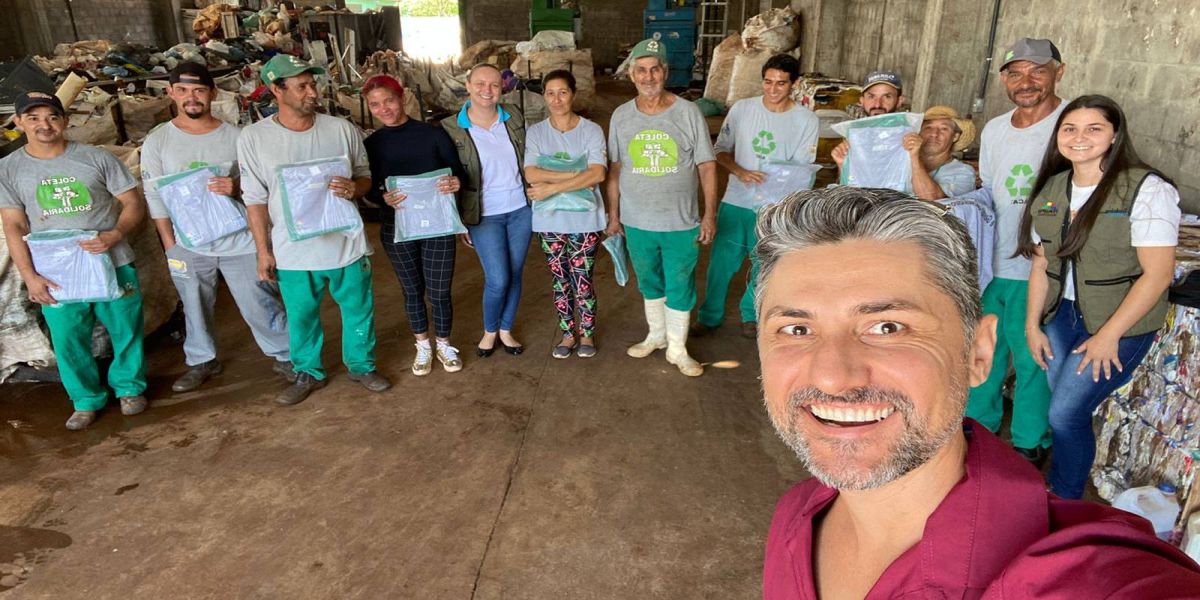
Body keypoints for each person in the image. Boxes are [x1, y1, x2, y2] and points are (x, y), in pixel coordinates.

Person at [755, 186, 1200, 598]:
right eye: (796, 329)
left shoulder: (1095, 579)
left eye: (887, 327)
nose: (833, 377)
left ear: (978, 353)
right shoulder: (797, 515)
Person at [1018, 95, 1180, 500]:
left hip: (1119, 324)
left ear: (1113, 136)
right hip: (1061, 317)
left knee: (1064, 413)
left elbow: (1158, 275)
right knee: (1067, 411)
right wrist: (1031, 324)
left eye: (1094, 129)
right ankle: (1064, 487)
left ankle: (1064, 496)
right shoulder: (1053, 188)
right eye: (1069, 128)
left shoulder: (1144, 189)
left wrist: (1110, 336)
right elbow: (1041, 264)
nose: (1079, 138)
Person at [238, 54, 391, 406]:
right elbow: (255, 199)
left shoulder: (340, 129)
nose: (312, 92)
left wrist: (357, 189)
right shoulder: (254, 138)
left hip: (345, 244)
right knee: (302, 315)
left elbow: (364, 175)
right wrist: (263, 251)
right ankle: (308, 371)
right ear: (276, 90)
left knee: (357, 308)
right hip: (293, 250)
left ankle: (362, 365)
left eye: (313, 84)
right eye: (302, 86)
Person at [141, 63, 293, 393]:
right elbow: (155, 195)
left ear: (212, 93)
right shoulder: (158, 142)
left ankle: (286, 355)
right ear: (170, 93)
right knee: (193, 304)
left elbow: (261, 187)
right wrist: (171, 245)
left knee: (261, 300)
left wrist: (235, 187)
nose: (191, 97)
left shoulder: (237, 138)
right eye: (182, 90)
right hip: (189, 245)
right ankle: (202, 361)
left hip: (240, 241)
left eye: (198, 90)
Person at [0, 91, 148, 429]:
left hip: (112, 259)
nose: (44, 125)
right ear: (19, 122)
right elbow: (15, 224)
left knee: (126, 328)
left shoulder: (96, 158)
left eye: (52, 116)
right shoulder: (8, 169)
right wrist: (30, 277)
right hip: (56, 270)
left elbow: (132, 203)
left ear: (64, 121)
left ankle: (129, 388)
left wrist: (115, 234)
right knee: (68, 338)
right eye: (33, 118)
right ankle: (85, 400)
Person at [964, 37, 1068, 465]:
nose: (1026, 82)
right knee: (984, 349)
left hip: (1042, 266)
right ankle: (976, 427)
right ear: (1004, 78)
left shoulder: (1072, 123)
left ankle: (1028, 441)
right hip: (993, 262)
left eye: (1037, 71)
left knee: (1032, 356)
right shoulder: (995, 129)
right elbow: (988, 191)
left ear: (1058, 72)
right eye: (1015, 73)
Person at [607, 38, 718, 377]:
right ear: (632, 75)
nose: (648, 76)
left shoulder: (688, 112)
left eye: (655, 69)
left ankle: (678, 348)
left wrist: (709, 214)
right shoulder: (621, 116)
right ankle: (656, 336)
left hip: (680, 220)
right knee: (649, 280)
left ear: (665, 72)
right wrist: (614, 215)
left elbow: (707, 166)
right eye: (641, 70)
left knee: (680, 282)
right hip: (637, 219)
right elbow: (614, 170)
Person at [692, 53, 818, 340]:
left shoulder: (805, 120)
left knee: (763, 264)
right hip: (737, 200)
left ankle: (750, 315)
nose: (773, 90)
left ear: (794, 84)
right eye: (768, 82)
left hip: (775, 206)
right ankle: (709, 316)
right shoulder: (742, 109)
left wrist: (791, 206)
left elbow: (802, 170)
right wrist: (739, 170)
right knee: (722, 263)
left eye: (781, 84)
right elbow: (720, 150)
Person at [362, 74, 467, 376]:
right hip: (397, 227)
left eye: (389, 100)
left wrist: (455, 183)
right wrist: (383, 198)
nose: (385, 109)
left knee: (439, 290)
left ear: (403, 97)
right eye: (375, 105)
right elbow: (368, 187)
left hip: (437, 225)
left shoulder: (432, 134)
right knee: (412, 290)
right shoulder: (372, 144)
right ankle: (422, 345)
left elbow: (457, 172)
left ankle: (444, 344)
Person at [441, 63, 532, 358]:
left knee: (516, 273)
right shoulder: (451, 128)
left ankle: (506, 330)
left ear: (502, 88)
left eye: (493, 85)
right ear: (467, 85)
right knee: (498, 278)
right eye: (480, 84)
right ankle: (490, 330)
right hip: (484, 214)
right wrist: (459, 222)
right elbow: (446, 177)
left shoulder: (514, 118)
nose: (487, 90)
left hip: (520, 209)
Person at [523, 69, 608, 358]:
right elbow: (532, 173)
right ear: (544, 97)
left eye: (562, 92)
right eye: (550, 93)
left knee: (582, 279)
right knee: (560, 280)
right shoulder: (536, 133)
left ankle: (586, 335)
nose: (556, 99)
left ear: (572, 94)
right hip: (549, 222)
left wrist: (550, 188)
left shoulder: (591, 130)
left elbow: (597, 174)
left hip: (585, 221)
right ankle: (567, 334)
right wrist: (574, 173)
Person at [829, 70, 905, 168]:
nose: (878, 104)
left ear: (899, 101)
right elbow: (847, 180)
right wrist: (842, 165)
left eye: (887, 96)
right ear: (862, 101)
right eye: (871, 96)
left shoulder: (908, 136)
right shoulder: (855, 134)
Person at [903, 105, 977, 200]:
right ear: (919, 132)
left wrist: (914, 157)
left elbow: (931, 200)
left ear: (955, 137)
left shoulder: (963, 172)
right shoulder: (901, 163)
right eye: (928, 127)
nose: (934, 134)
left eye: (944, 129)